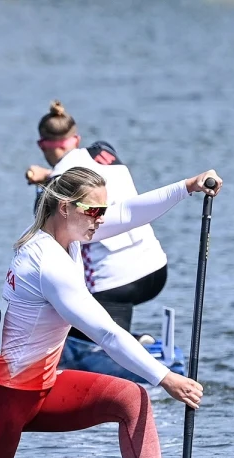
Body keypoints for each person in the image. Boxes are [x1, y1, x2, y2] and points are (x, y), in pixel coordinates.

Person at [0, 166, 223, 458]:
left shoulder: (69, 236)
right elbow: (107, 334)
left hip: (43, 392)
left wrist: (187, 186)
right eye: (94, 211)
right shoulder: (48, 264)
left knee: (131, 399)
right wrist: (166, 378)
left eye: (102, 210)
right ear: (66, 208)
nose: (102, 218)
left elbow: (128, 213)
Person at [25, 102, 170, 377]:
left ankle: (132, 350)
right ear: (76, 139)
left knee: (74, 323)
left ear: (42, 145)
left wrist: (44, 182)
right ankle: (138, 341)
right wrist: (50, 175)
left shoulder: (56, 187)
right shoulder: (104, 151)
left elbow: (47, 229)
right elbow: (85, 176)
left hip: (117, 284)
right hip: (156, 270)